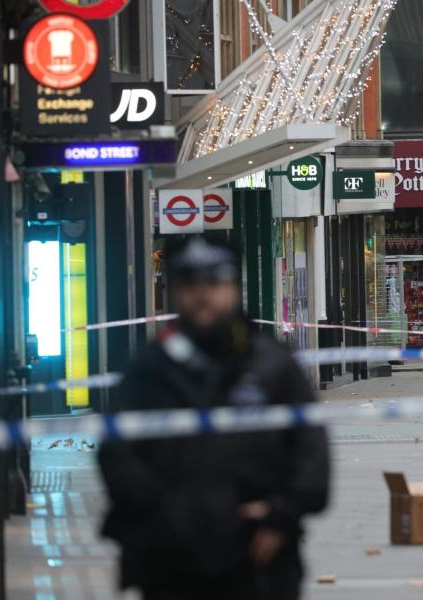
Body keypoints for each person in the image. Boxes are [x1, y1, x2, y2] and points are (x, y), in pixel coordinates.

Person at [98, 237, 331, 600]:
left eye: (215, 283)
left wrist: (281, 514)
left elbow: (311, 451)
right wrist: (164, 518)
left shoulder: (271, 363)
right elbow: (117, 453)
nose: (202, 295)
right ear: (175, 292)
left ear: (234, 288)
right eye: (190, 285)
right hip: (170, 561)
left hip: (257, 555)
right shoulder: (150, 368)